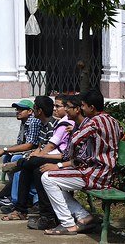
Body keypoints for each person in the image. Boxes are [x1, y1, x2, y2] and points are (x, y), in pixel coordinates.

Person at [38, 89, 123, 236]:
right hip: (105, 172)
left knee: (48, 178)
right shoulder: (113, 120)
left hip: (96, 174)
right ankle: (83, 216)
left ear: (92, 107)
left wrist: (69, 157)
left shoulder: (94, 122)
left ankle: (68, 224)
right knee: (54, 180)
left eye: (83, 105)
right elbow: (121, 132)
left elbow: (75, 141)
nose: (82, 108)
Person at [0, 95, 69, 220]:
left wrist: (34, 157)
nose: (55, 109)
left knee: (27, 165)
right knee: (28, 167)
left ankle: (25, 206)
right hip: (50, 156)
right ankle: (21, 208)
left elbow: (50, 147)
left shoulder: (54, 125)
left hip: (59, 158)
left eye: (58, 106)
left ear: (39, 111)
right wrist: (34, 155)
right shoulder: (44, 125)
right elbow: (41, 146)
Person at [28, 96, 86, 231]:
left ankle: (65, 223)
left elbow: (79, 159)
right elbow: (71, 155)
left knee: (46, 176)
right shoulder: (77, 126)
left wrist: (57, 166)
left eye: (67, 107)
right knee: (41, 171)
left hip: (90, 173)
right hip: (81, 167)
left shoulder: (88, 127)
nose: (65, 109)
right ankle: (82, 215)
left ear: (79, 109)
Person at [0, 98, 39, 210]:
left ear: (30, 111)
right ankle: (10, 193)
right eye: (17, 109)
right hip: (27, 152)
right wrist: (7, 151)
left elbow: (30, 145)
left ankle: (14, 199)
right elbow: (20, 144)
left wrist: (5, 150)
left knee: (15, 159)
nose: (18, 111)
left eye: (21, 109)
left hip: (34, 154)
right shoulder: (24, 122)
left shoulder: (33, 122)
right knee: (7, 158)